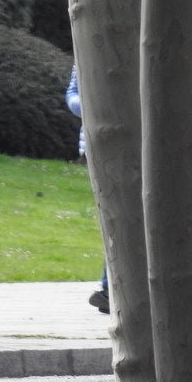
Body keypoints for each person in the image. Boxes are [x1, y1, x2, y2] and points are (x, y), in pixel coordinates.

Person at [66, 65, 108, 314]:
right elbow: (72, 92)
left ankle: (110, 291)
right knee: (119, 216)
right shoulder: (85, 46)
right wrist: (89, 107)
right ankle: (110, 291)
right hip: (100, 144)